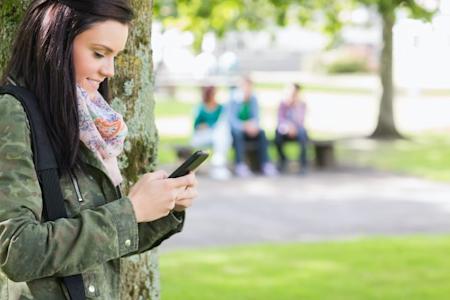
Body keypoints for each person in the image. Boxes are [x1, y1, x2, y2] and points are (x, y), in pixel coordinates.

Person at [0, 1, 198, 299]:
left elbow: (99, 244)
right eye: (99, 53)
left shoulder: (83, 119)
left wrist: (161, 206)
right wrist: (129, 212)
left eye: (115, 56)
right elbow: (17, 251)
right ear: (57, 42)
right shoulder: (13, 114)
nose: (110, 70)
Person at [228, 77, 278, 177]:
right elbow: (231, 120)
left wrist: (253, 126)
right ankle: (240, 165)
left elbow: (257, 117)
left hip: (251, 129)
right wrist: (244, 126)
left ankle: (265, 164)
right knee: (238, 135)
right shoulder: (233, 99)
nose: (247, 90)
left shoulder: (253, 99)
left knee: (262, 133)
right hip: (237, 130)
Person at [191, 85, 232, 180]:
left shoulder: (221, 108)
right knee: (221, 135)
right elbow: (196, 126)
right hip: (202, 136)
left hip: (217, 135)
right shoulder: (201, 108)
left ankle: (218, 164)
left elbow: (222, 122)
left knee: (221, 133)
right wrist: (203, 126)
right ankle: (218, 165)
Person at [275, 83, 309, 174]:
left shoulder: (301, 104)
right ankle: (282, 160)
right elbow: (280, 120)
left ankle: (303, 164)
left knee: (303, 134)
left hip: (298, 130)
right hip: (285, 130)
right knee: (278, 134)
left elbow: (301, 121)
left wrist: (296, 105)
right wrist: (288, 127)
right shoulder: (283, 104)